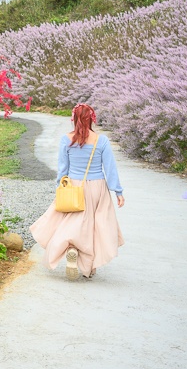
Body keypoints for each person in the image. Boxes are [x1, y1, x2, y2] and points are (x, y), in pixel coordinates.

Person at [29, 103, 125, 280]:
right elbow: (110, 168)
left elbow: (62, 168)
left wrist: (60, 187)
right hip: (97, 187)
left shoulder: (67, 140)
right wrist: (118, 192)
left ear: (73, 119)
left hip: (73, 186)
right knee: (95, 227)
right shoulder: (101, 140)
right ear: (92, 119)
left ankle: (72, 248)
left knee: (71, 222)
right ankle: (88, 267)